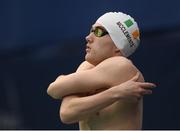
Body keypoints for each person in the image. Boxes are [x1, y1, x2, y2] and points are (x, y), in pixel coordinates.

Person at [47, 12, 156, 130]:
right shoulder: (87, 66)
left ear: (118, 46)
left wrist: (62, 79)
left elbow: (57, 91)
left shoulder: (122, 66)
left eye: (98, 32)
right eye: (91, 30)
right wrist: (116, 92)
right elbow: (66, 111)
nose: (88, 37)